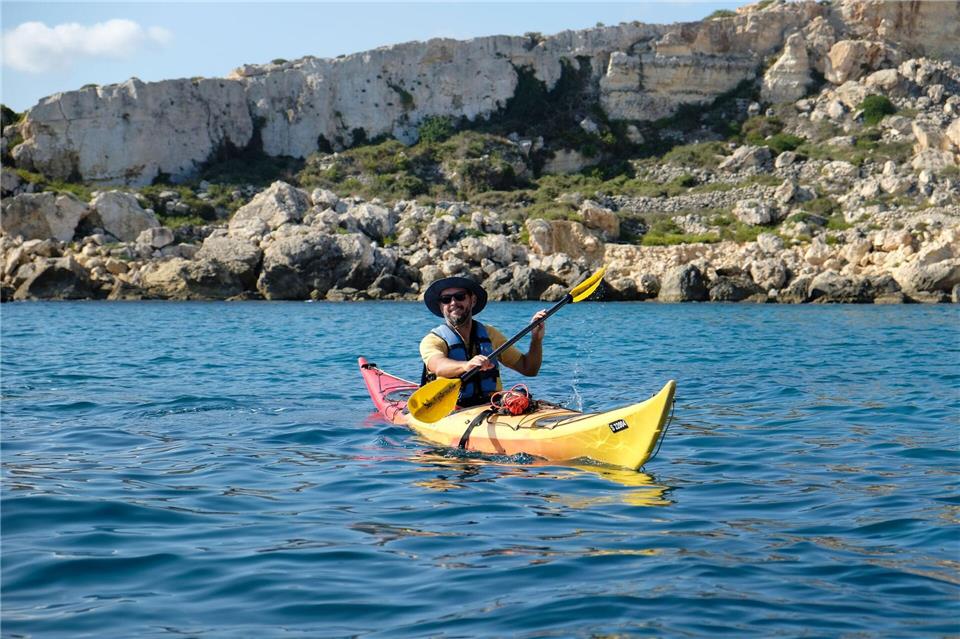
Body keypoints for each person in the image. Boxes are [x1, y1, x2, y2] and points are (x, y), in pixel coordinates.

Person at [420, 276, 547, 407]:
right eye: (446, 299)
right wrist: (466, 365)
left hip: (491, 404)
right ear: (441, 307)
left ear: (472, 300)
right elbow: (439, 366)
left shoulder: (490, 334)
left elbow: (529, 369)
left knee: (520, 395)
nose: (453, 303)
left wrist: (536, 339)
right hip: (452, 408)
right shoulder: (432, 340)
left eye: (460, 296)